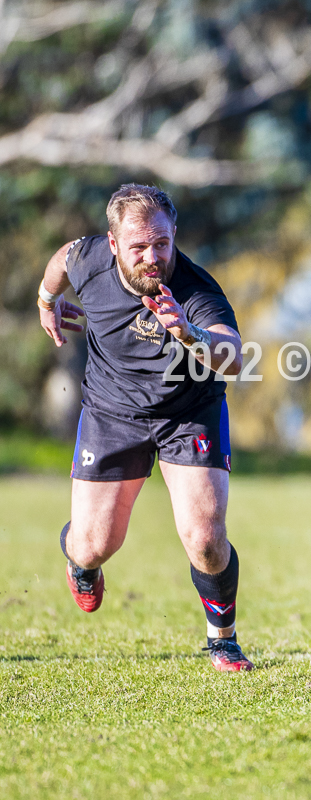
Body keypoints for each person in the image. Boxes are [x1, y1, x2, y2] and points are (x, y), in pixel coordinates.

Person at [37, 184, 253, 672]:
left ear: (174, 234)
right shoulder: (89, 259)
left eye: (162, 243)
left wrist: (189, 334)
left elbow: (235, 358)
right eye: (139, 247)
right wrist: (47, 299)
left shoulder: (196, 290)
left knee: (205, 538)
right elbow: (62, 259)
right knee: (94, 545)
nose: (153, 257)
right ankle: (79, 562)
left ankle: (223, 639)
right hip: (112, 412)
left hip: (188, 411)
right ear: (113, 244)